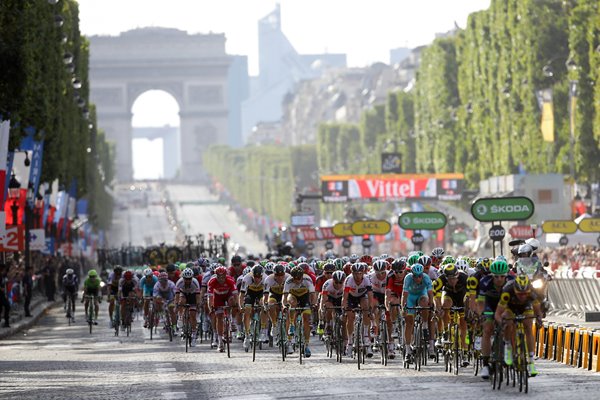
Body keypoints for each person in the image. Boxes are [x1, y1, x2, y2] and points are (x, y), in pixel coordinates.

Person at [476, 259, 514, 379]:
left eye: (502, 276)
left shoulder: (512, 281)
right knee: (487, 329)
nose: (499, 279)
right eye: (496, 277)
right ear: (492, 275)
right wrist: (482, 314)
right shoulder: (484, 282)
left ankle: (508, 347)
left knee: (509, 323)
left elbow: (514, 302)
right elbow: (480, 302)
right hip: (490, 304)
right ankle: (486, 365)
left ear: (506, 275)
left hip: (506, 304)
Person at [401, 263, 433, 364]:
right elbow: (404, 295)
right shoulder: (408, 278)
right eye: (416, 276)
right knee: (409, 322)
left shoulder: (426, 278)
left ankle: (424, 325)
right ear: (412, 274)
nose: (418, 278)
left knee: (425, 303)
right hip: (410, 297)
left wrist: (431, 305)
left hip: (421, 295)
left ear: (422, 274)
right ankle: (407, 350)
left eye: (420, 276)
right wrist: (403, 307)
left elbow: (430, 294)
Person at [283, 265, 316, 358]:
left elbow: (313, 294)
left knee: (306, 319)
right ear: (292, 277)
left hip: (304, 297)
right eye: (295, 279)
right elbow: (284, 297)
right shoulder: (288, 281)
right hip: (293, 296)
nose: (297, 280)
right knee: (292, 304)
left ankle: (306, 345)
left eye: (299, 278)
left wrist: (313, 304)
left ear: (302, 276)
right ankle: (291, 329)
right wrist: (284, 305)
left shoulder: (307, 279)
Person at [342, 262, 373, 358]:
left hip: (362, 296)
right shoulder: (349, 280)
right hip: (351, 297)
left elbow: (371, 296)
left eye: (360, 273)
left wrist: (370, 309)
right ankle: (350, 342)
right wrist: (344, 308)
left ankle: (366, 336)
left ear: (363, 273)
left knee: (366, 309)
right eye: (355, 273)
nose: (358, 275)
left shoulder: (367, 279)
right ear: (352, 273)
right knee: (350, 317)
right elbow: (345, 297)